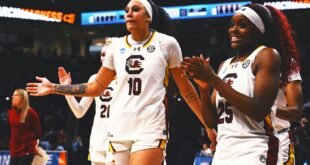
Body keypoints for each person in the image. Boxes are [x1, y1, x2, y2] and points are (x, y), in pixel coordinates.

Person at [26, 0, 216, 164]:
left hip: (150, 128)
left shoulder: (167, 44)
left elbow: (188, 92)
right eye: (126, 10)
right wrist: (54, 88)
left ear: (148, 16)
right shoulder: (116, 47)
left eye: (135, 9)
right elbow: (95, 87)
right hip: (118, 128)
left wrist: (208, 126)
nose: (129, 13)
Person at [180, 3, 284, 165]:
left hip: (255, 147)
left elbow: (258, 110)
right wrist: (204, 88)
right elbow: (211, 121)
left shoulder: (267, 55)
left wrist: (214, 80)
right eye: (232, 24)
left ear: (258, 30)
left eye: (242, 25)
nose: (234, 29)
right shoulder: (224, 65)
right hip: (224, 150)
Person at [58, 38, 116, 165]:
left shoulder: (126, 79)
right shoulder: (94, 79)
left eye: (108, 54)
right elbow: (79, 112)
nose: (104, 57)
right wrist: (67, 89)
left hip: (119, 140)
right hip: (98, 139)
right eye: (102, 54)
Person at [265, 5, 303, 165]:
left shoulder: (288, 63)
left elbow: (296, 111)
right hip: (246, 141)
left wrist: (266, 109)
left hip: (278, 139)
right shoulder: (238, 62)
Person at [8, 89, 42, 165]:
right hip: (14, 151)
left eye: (16, 95)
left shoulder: (31, 113)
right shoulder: (11, 113)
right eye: (13, 95)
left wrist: (32, 145)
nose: (13, 97)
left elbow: (38, 132)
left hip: (27, 150)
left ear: (22, 98)